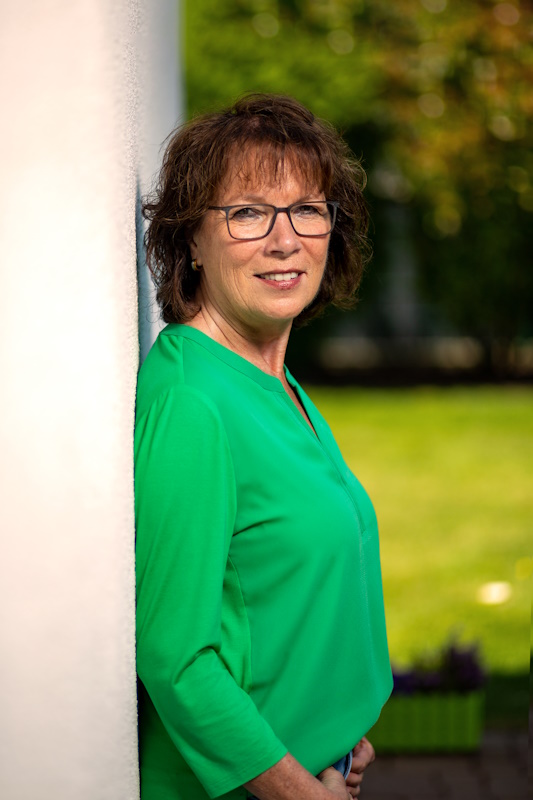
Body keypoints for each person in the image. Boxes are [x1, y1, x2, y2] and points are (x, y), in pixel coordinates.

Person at [135, 93, 392, 800]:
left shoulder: (269, 380)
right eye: (248, 212)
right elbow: (176, 660)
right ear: (191, 240)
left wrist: (339, 733)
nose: (285, 241)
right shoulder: (193, 403)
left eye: (307, 209)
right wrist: (300, 792)